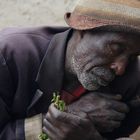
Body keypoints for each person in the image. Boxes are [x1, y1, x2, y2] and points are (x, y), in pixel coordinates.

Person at [0, 0, 140, 140]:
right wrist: (66, 117)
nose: (121, 68)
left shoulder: (131, 78)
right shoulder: (9, 55)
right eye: (115, 48)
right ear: (83, 29)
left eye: (133, 57)